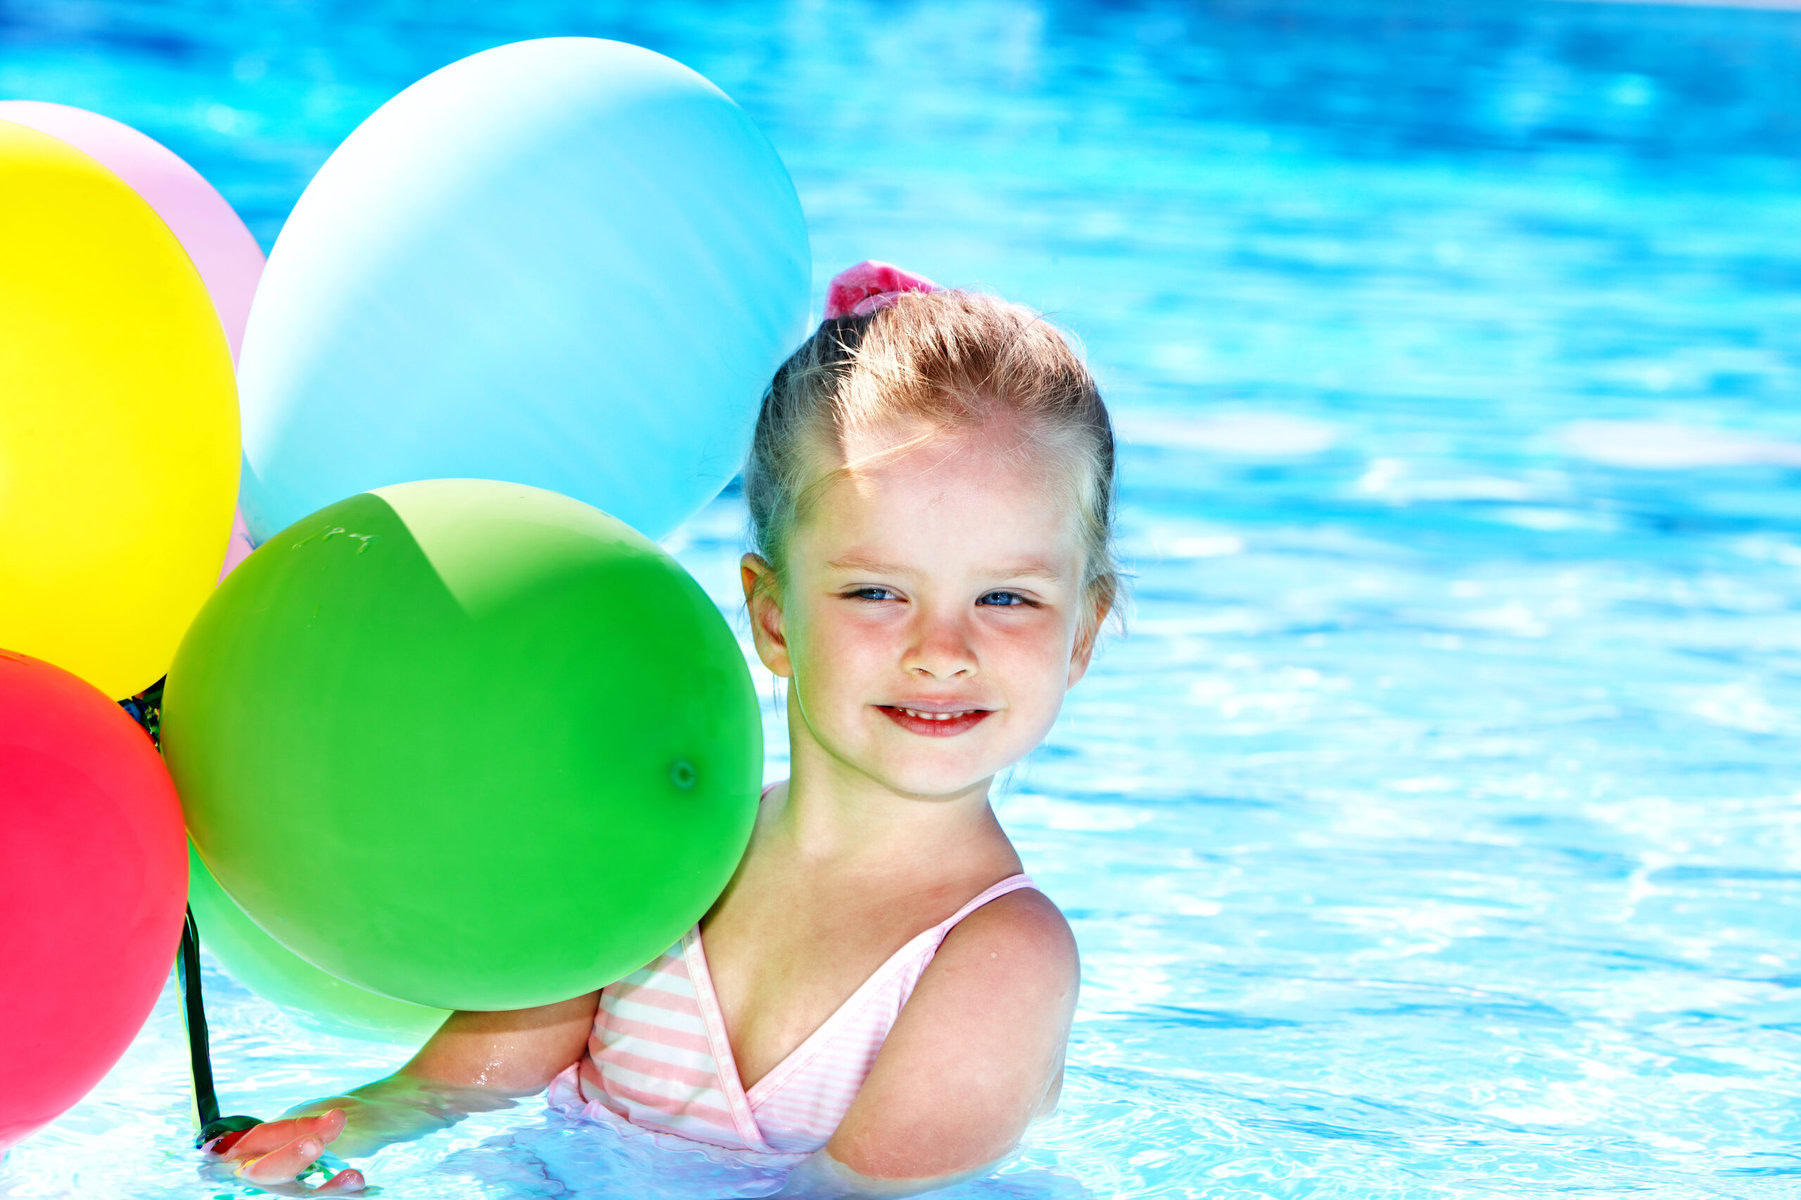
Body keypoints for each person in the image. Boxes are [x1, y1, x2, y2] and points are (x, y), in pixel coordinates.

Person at [203, 261, 1127, 1197]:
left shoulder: (1001, 960)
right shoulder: (665, 850)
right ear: (773, 618)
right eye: (876, 592)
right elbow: (456, 1087)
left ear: (1082, 633)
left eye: (1006, 598)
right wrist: (323, 1142)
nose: (941, 651)